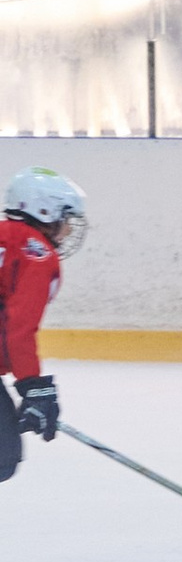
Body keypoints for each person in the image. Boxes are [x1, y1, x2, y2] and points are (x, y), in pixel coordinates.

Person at [0, 164, 85, 481]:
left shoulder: (5, 237)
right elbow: (19, 326)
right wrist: (32, 386)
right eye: (65, 219)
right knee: (2, 455)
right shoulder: (35, 253)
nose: (67, 229)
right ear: (46, 211)